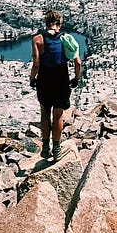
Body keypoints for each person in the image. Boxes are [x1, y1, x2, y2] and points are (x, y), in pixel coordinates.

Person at [30, 8, 81, 160]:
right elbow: (77, 61)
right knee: (58, 116)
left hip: (45, 79)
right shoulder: (67, 38)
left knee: (45, 113)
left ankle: (45, 147)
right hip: (61, 79)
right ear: (59, 23)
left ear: (46, 23)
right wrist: (76, 78)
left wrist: (32, 78)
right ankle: (57, 148)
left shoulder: (38, 39)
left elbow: (36, 63)